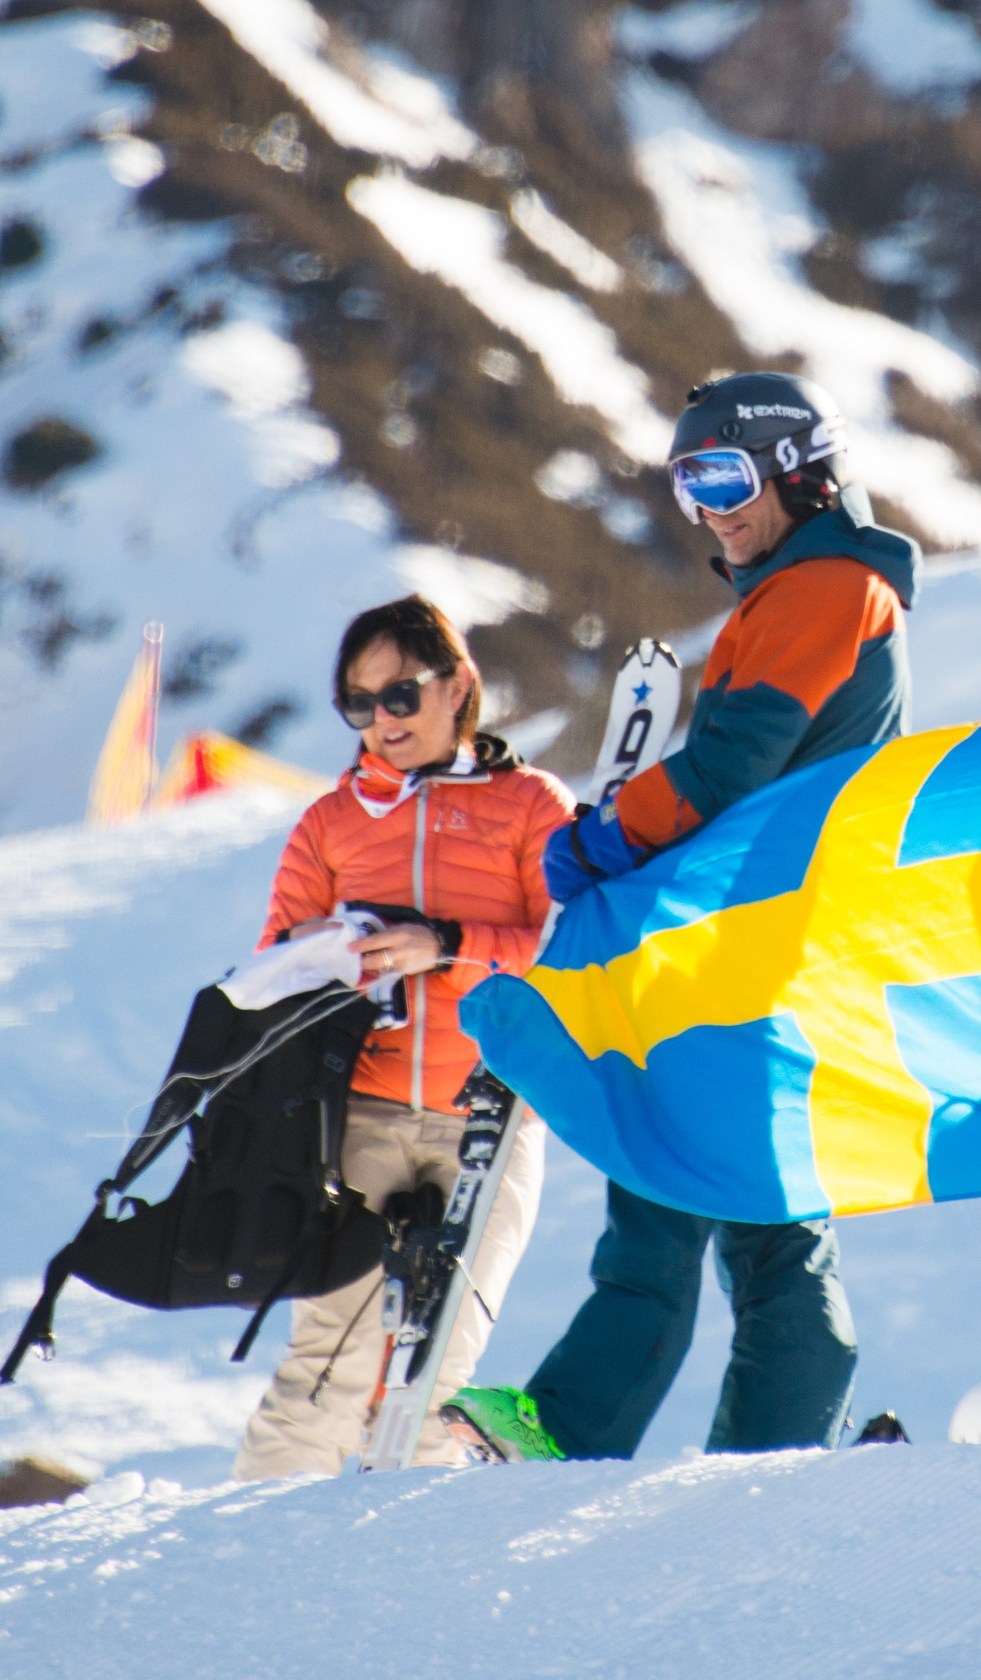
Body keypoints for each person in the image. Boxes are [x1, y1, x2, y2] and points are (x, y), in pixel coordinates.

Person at [451, 372, 919, 1463]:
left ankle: (582, 1423)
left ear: (796, 468)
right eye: (687, 486)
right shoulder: (804, 589)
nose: (708, 509)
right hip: (772, 935)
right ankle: (775, 1442)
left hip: (766, 938)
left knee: (669, 1165)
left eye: (723, 477)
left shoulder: (826, 587)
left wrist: (611, 837)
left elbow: (732, 763)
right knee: (758, 1202)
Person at [230, 594, 575, 1477]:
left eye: (400, 694)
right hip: (361, 1117)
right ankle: (249, 1545)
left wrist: (446, 944)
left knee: (435, 1373)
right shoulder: (330, 823)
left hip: (492, 1117)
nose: (381, 720)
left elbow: (571, 954)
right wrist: (326, 954)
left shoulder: (530, 805)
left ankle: (403, 1557)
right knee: (329, 1367)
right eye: (359, 702)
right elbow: (272, 970)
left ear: (458, 686)